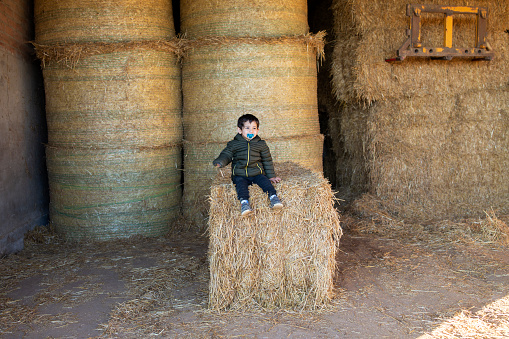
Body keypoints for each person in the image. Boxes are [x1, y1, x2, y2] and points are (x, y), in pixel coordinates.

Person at [213, 114, 283, 216]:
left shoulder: (261, 144)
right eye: (247, 128)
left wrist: (271, 176)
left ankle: (273, 198)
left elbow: (267, 160)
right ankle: (244, 203)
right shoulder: (234, 144)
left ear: (258, 130)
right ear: (240, 130)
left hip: (257, 173)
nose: (251, 131)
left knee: (265, 182)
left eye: (254, 128)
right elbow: (226, 154)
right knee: (241, 186)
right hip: (240, 174)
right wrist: (220, 162)